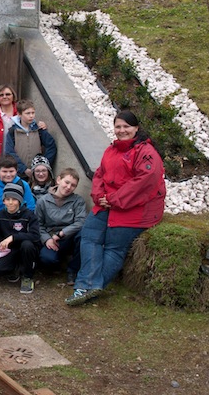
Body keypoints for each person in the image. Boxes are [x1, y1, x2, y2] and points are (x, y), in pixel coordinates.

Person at [65, 111, 166, 306]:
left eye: (126, 127)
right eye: (118, 127)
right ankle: (89, 285)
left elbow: (144, 182)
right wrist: (99, 196)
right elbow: (100, 174)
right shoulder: (111, 150)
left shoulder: (147, 153)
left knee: (114, 246)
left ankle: (88, 286)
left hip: (135, 209)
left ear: (136, 128)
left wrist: (113, 199)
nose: (122, 130)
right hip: (108, 203)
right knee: (89, 235)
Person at [0, 182, 40, 294]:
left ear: (20, 200)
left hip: (26, 249)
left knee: (27, 245)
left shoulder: (29, 215)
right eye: (7, 199)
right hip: (9, 250)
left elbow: (35, 236)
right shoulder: (0, 216)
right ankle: (16, 269)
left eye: (14, 199)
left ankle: (27, 276)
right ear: (3, 200)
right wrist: (0, 245)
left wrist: (13, 237)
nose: (10, 202)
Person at [37, 168, 86, 285]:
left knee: (84, 234)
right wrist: (46, 239)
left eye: (73, 185)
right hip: (51, 237)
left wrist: (62, 233)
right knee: (47, 259)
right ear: (59, 180)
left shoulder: (78, 201)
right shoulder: (43, 201)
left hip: (70, 237)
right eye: (67, 182)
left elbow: (80, 222)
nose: (69, 187)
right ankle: (56, 264)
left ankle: (72, 270)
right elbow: (38, 224)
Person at [5, 99, 57, 179]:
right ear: (19, 114)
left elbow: (51, 146)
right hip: (19, 174)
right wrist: (23, 168)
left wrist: (43, 165)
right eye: (27, 113)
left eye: (33, 113)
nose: (31, 116)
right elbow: (9, 152)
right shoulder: (12, 131)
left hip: (38, 175)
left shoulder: (39, 129)